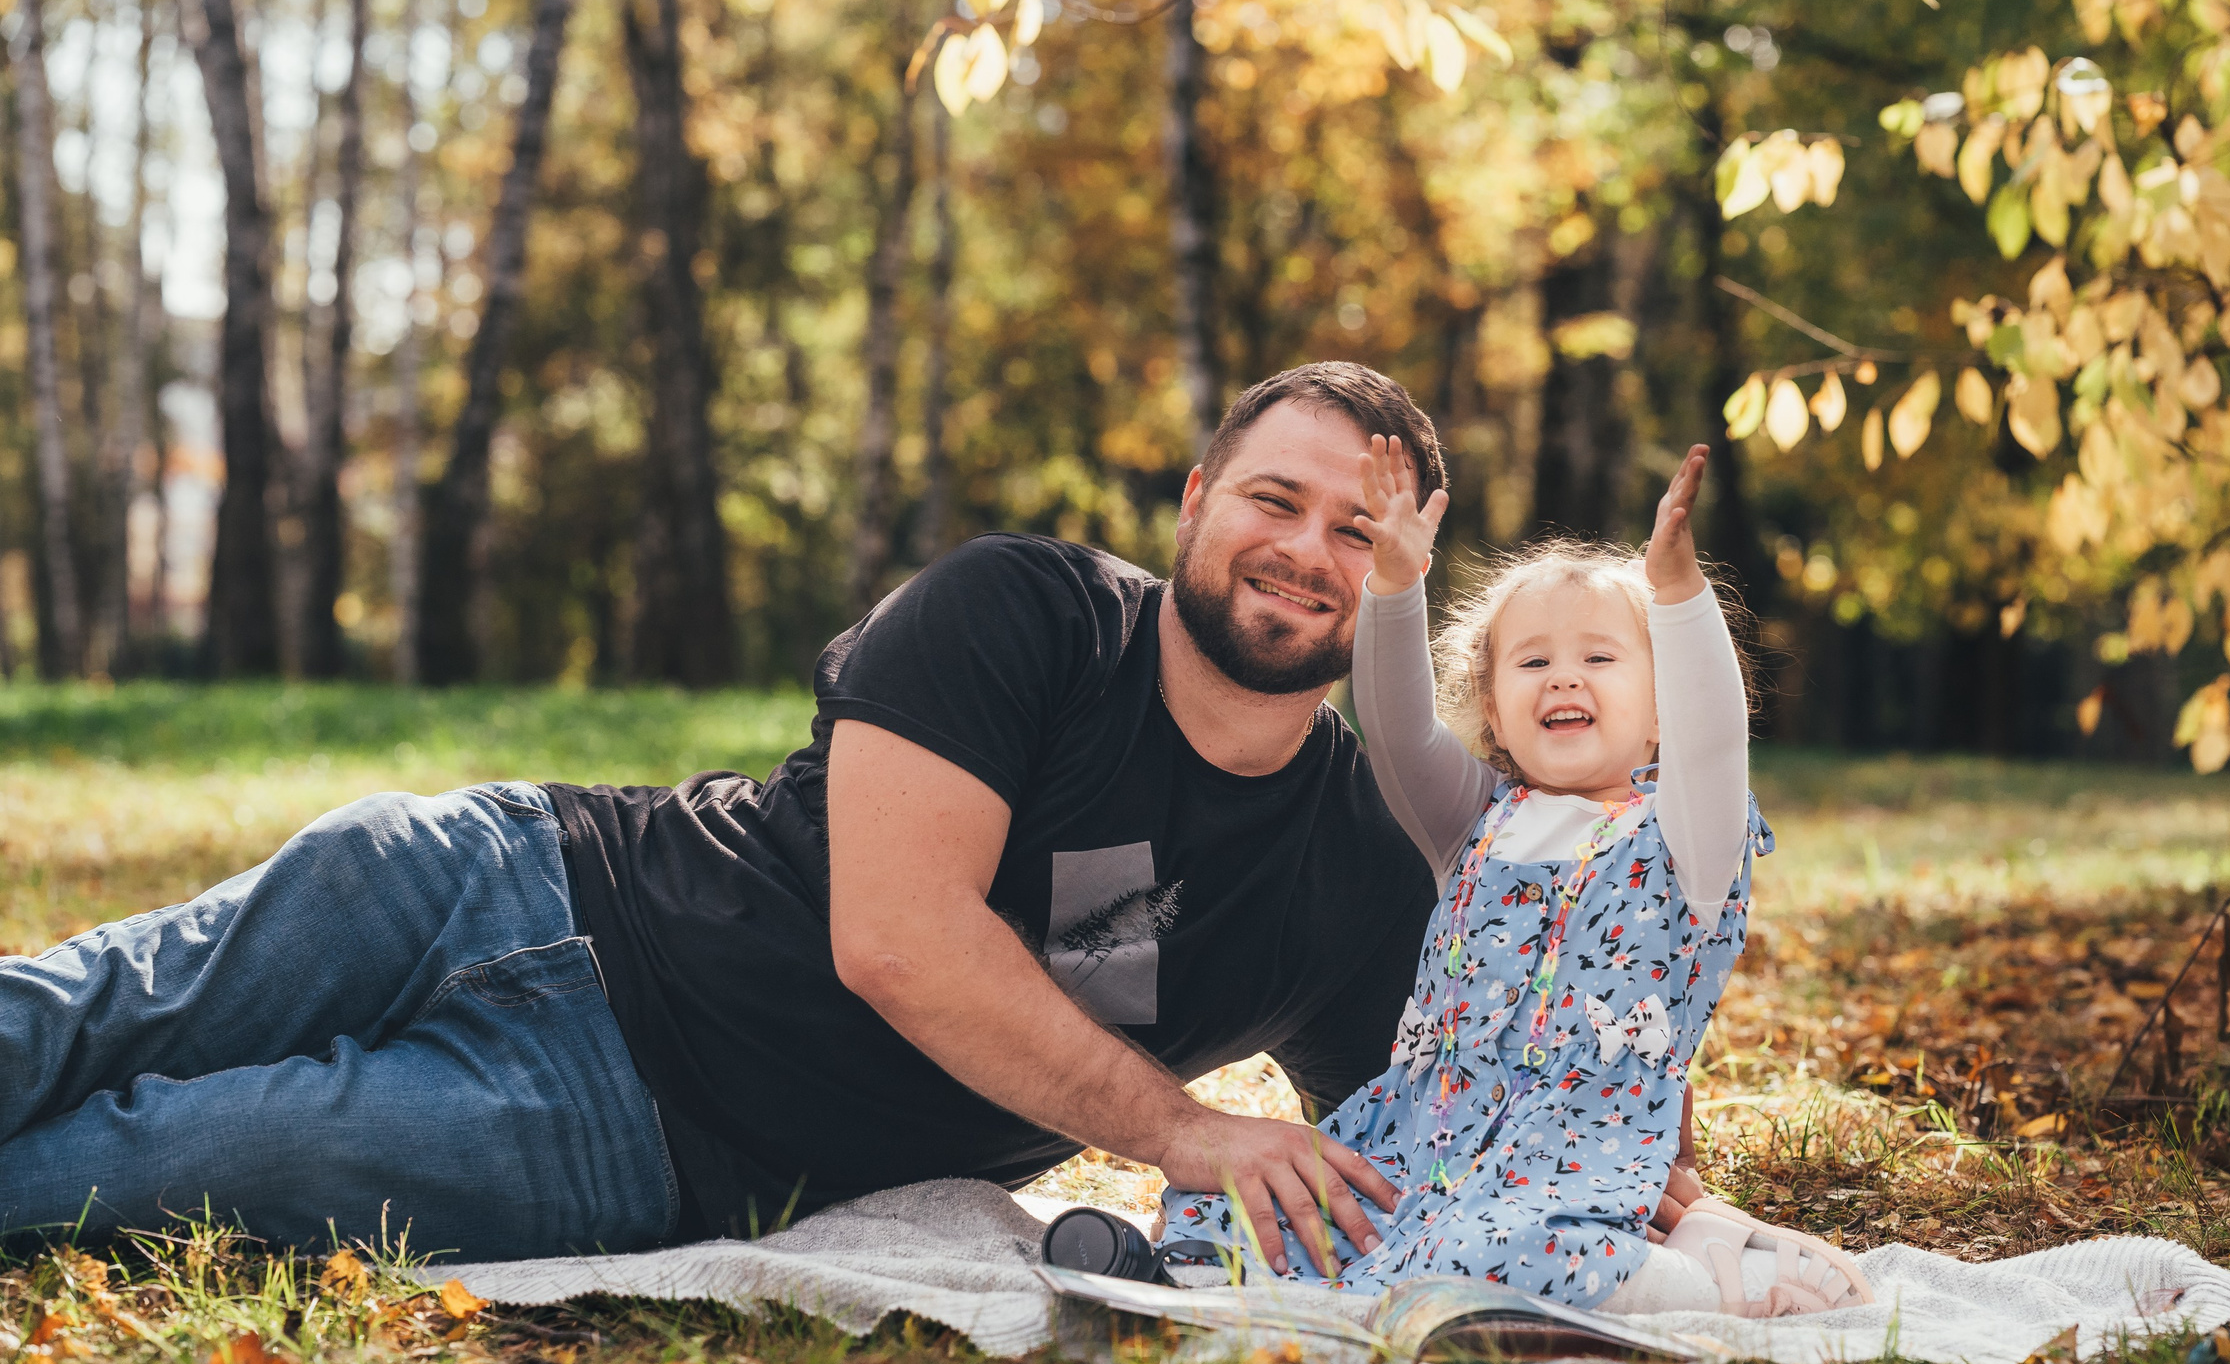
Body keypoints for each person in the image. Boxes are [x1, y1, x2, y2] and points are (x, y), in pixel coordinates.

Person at [0, 363, 1514, 1266]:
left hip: (628, 1138)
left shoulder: (1354, 871)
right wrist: (1183, 1126)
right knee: (80, 1016)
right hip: (518, 877)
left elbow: (1436, 1141)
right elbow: (902, 939)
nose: (1307, 547)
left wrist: (1635, 1142)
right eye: (1275, 498)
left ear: (1400, 574)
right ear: (1195, 499)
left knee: (136, 1163)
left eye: (1357, 527)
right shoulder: (1029, 611)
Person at [1157, 439, 1873, 1316]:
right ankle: (1180, 1270)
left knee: (1501, 1250)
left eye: (1601, 658)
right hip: (1419, 1144)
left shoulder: (1688, 831)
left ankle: (1704, 1286)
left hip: (1571, 1161)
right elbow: (1397, 731)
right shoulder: (1475, 823)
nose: (1564, 673)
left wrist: (1680, 594)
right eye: (1532, 662)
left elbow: (1719, 736)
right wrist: (1393, 581)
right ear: (1494, 708)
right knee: (1252, 1195)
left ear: (1660, 708)